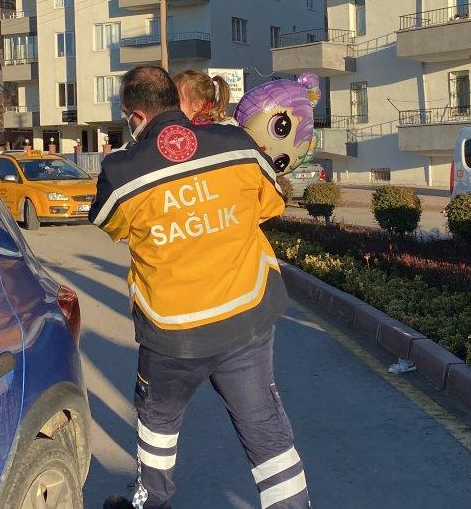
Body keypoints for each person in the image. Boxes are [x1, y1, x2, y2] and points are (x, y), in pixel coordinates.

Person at [91, 66, 309, 509]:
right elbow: (270, 203)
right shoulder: (237, 146)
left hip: (173, 330)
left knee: (158, 425)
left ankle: (152, 503)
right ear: (175, 99)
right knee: (266, 430)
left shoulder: (121, 171)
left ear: (135, 116)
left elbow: (112, 224)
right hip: (245, 316)